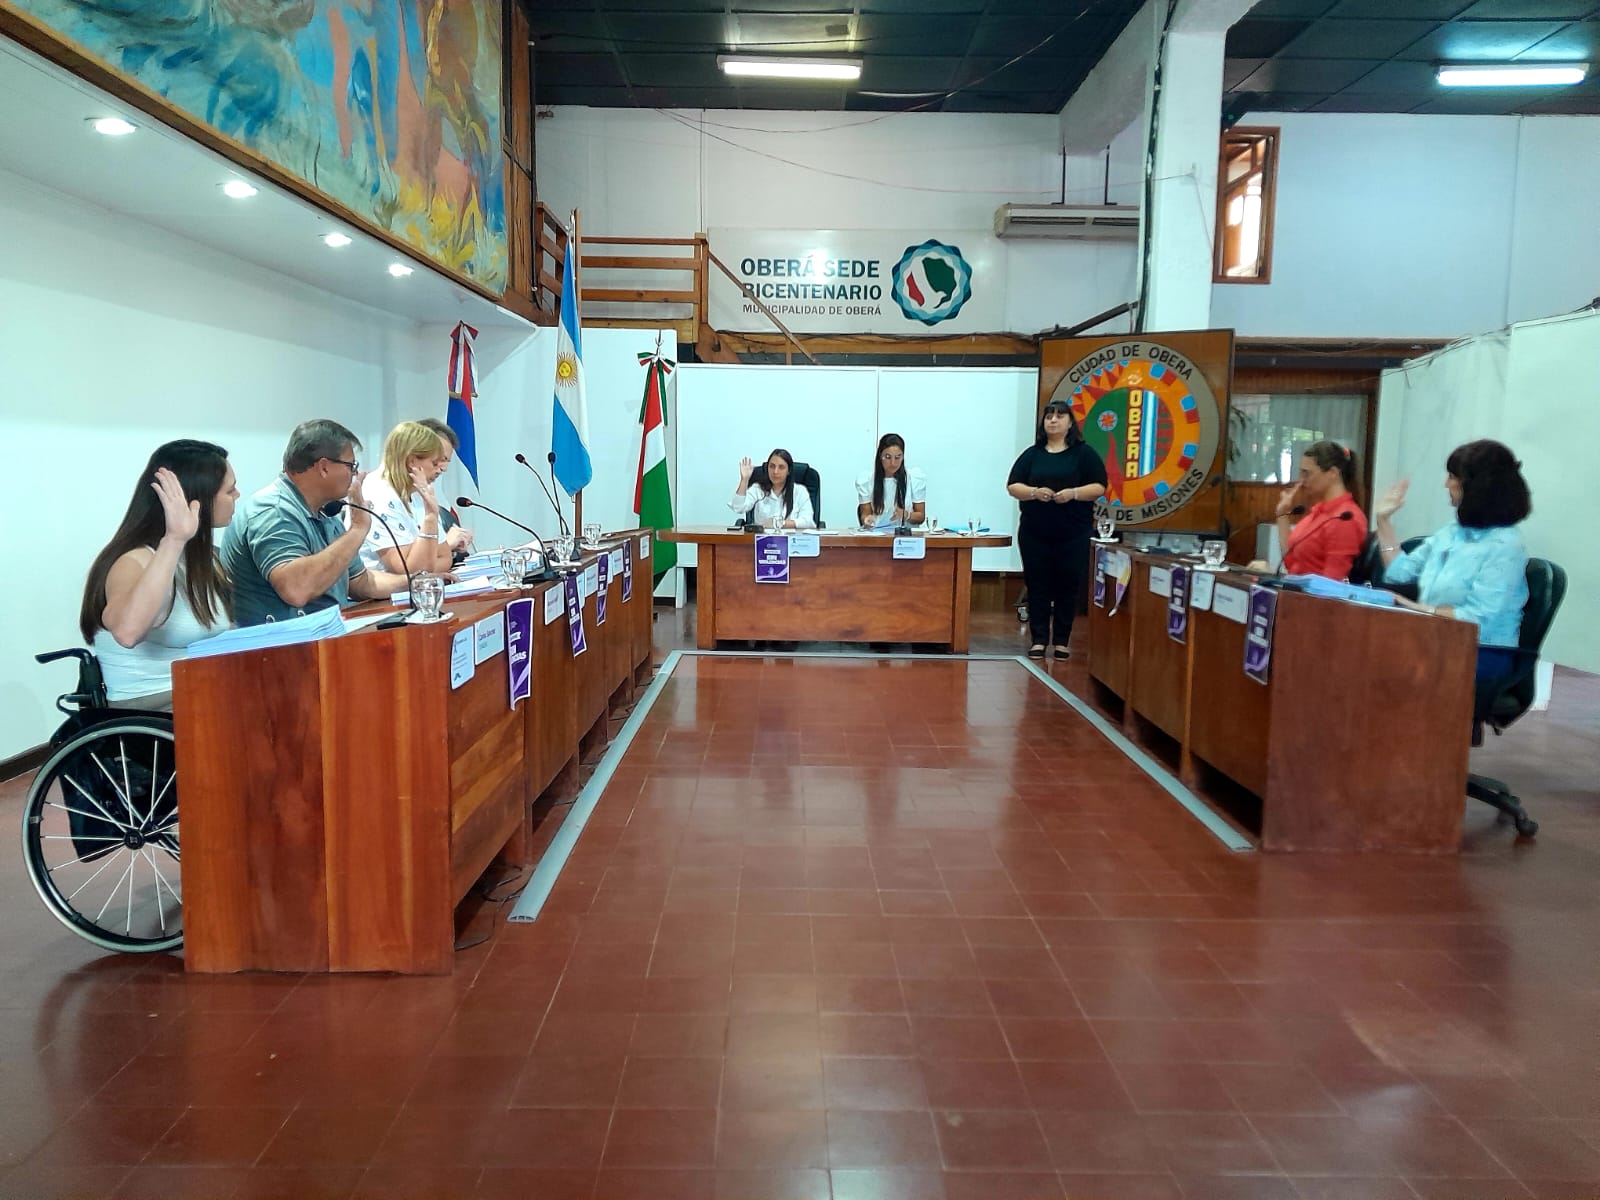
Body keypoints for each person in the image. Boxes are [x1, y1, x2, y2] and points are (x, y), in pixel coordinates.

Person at [80, 440, 239, 706]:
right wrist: (174, 539)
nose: (237, 496)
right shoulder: (133, 561)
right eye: (230, 490)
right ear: (197, 500)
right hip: (154, 706)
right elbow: (127, 632)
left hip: (207, 690)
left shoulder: (208, 559)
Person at [222, 419, 409, 626]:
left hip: (324, 633)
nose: (354, 474)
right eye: (351, 466)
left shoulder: (326, 512)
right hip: (281, 642)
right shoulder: (273, 510)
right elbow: (296, 590)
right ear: (324, 467)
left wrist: (415, 581)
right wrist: (357, 529)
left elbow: (361, 581)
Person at [1377, 439, 1531, 684]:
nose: (1445, 484)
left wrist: (1418, 609)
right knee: (1369, 651)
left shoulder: (1505, 545)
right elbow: (1399, 572)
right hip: (1437, 639)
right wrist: (1383, 521)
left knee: (1388, 667)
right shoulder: (1452, 532)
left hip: (1482, 651)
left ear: (1476, 485)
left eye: (1452, 476)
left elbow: (1478, 620)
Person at [1006, 399, 1108, 660]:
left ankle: (1061, 641)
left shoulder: (1084, 454)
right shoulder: (1033, 454)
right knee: (1037, 585)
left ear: (1070, 422)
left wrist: (1073, 493)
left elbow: (1099, 486)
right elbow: (1013, 486)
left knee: (1067, 585)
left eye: (1059, 416)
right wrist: (1033, 492)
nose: (1053, 420)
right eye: (1049, 416)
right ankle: (1039, 639)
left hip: (1073, 533)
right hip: (1035, 533)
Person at [356, 422, 471, 575]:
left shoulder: (416, 491)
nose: (442, 469)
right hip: (382, 589)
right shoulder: (378, 494)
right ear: (412, 461)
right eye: (435, 462)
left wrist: (422, 562)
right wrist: (430, 517)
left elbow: (445, 558)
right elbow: (408, 572)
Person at [1262, 440, 1368, 579]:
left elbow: (1331, 584)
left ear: (1332, 473)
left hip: (1312, 592)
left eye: (1307, 474)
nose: (1301, 481)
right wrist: (1282, 514)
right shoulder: (1319, 511)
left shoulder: (1345, 518)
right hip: (1297, 589)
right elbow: (1291, 561)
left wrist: (1276, 577)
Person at [416, 417, 475, 556]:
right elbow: (410, 563)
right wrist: (447, 545)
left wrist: (453, 545)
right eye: (439, 460)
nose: (443, 468)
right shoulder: (389, 497)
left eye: (447, 461)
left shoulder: (420, 498)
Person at [731, 449, 816, 530]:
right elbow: (738, 507)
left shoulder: (800, 491)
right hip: (763, 539)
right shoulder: (758, 489)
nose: (775, 471)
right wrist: (744, 480)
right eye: (772, 466)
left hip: (791, 539)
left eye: (781, 467)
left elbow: (809, 522)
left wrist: (779, 523)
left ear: (788, 471)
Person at [856, 433, 926, 529]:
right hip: (878, 534)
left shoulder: (913, 478)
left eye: (897, 457)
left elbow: (921, 516)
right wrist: (867, 519)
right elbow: (865, 514)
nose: (893, 463)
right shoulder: (867, 480)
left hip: (906, 534)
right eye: (888, 457)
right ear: (880, 456)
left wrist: (906, 515)